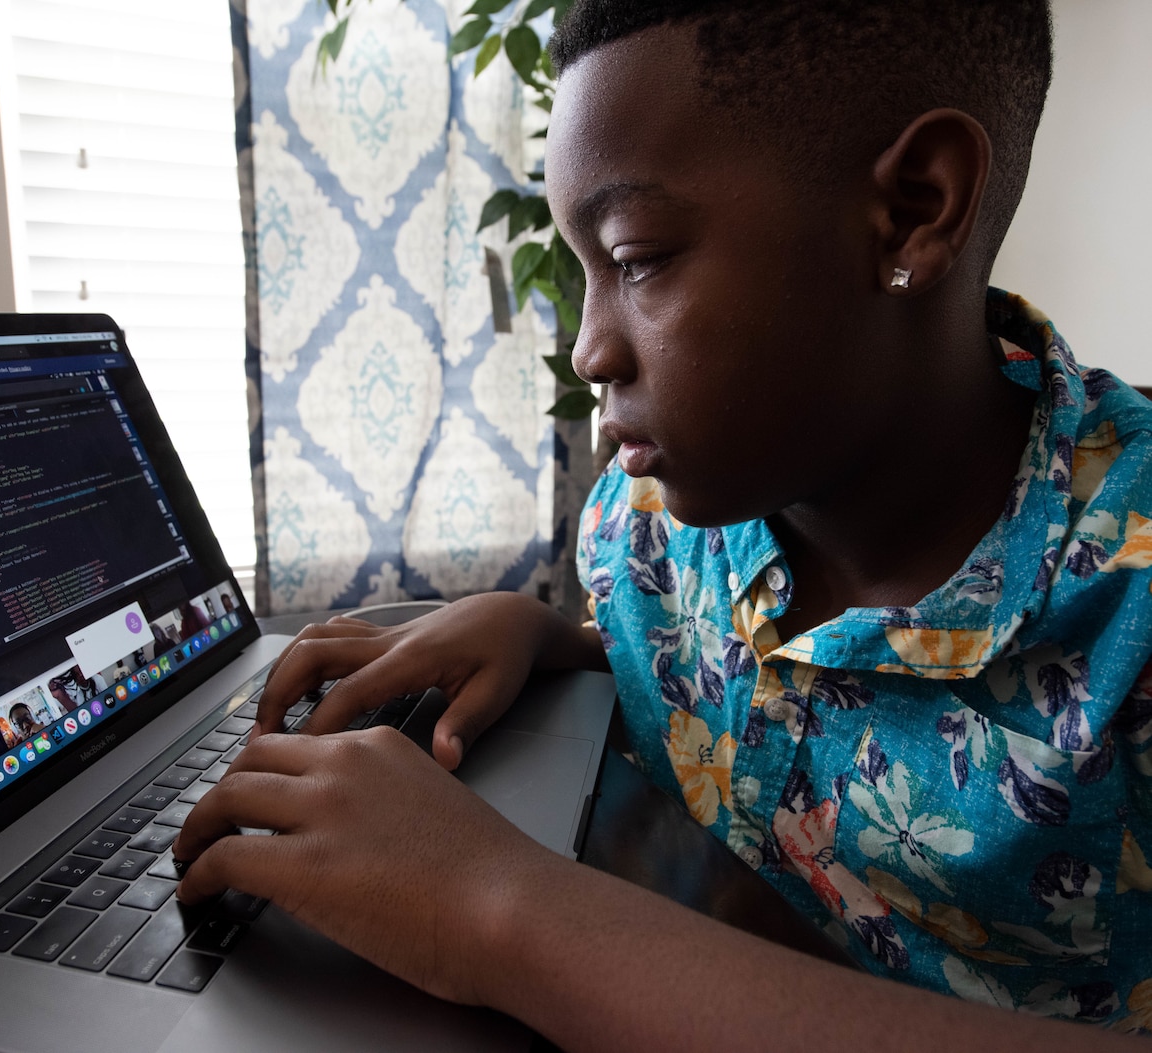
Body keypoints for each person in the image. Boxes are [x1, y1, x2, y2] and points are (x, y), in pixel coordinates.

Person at [173, 1, 1152, 1048]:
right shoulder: (648, 521)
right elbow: (776, 688)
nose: (588, 350)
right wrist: (554, 638)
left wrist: (500, 912)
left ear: (913, 209)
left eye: (635, 258)